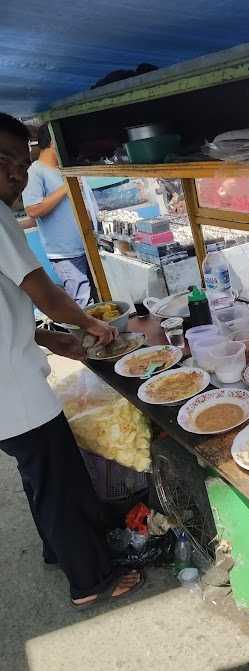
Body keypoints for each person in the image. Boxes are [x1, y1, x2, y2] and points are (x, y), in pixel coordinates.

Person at [0, 113, 144, 607]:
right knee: (55, 480)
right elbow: (42, 291)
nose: (16, 175)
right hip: (13, 392)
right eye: (5, 162)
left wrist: (45, 337)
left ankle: (59, 550)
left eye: (21, 163)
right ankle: (91, 582)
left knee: (42, 474)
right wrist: (88, 325)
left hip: (11, 381)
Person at [22, 124, 94, 307]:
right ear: (54, 141)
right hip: (66, 253)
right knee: (83, 303)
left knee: (100, 300)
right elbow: (33, 209)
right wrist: (66, 188)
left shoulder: (65, 169)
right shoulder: (35, 172)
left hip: (87, 245)